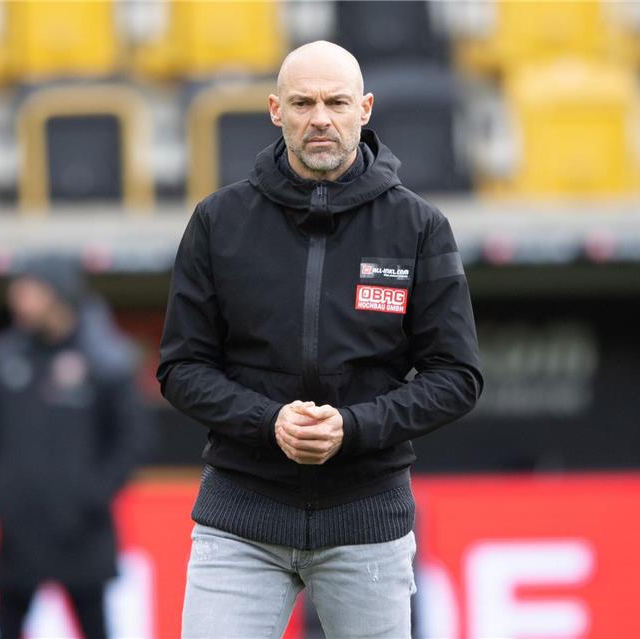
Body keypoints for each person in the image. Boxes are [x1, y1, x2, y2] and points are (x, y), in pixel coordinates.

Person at [157, 41, 483, 637]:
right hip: (241, 517)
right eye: (303, 103)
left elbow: (457, 376)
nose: (320, 119)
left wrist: (353, 428)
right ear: (275, 110)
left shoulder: (418, 226)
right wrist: (268, 422)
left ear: (365, 108)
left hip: (367, 520)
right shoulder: (218, 221)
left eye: (336, 102)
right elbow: (181, 367)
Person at [0, 255, 143, 639]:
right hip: (18, 533)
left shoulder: (103, 358)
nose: (17, 300)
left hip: (81, 531)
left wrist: (91, 496)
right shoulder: (5, 357)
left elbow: (130, 441)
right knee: (7, 626)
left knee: (95, 626)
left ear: (58, 295)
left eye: (28, 291)